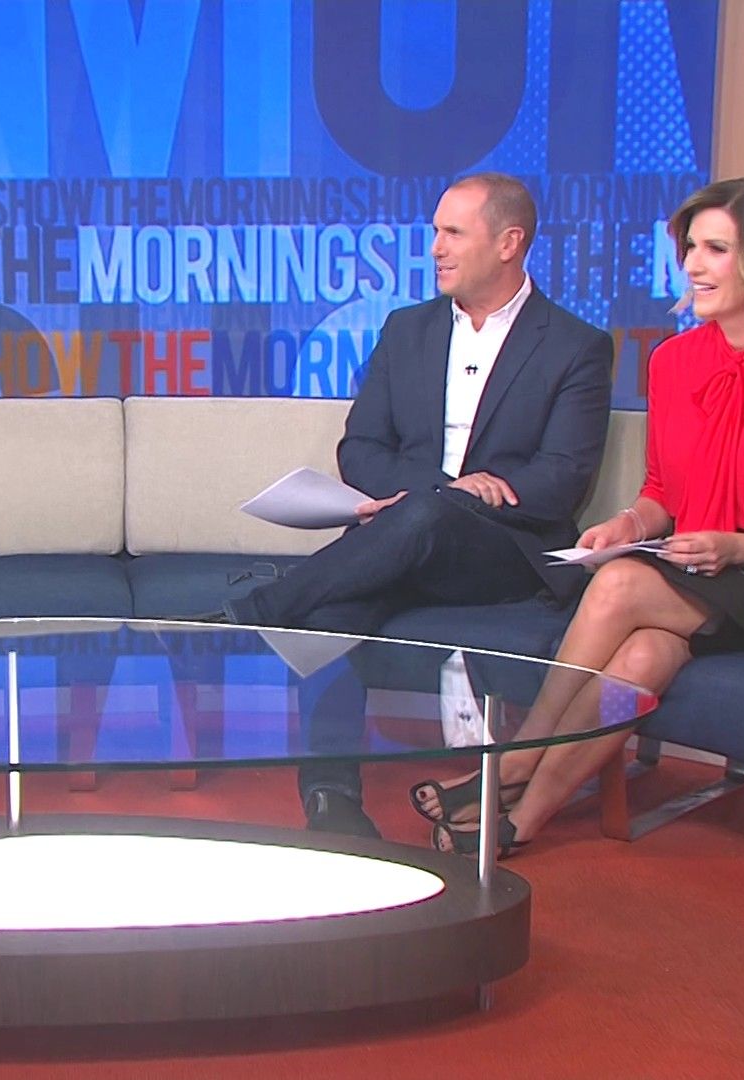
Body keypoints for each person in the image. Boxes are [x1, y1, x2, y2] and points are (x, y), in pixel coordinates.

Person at [417, 176, 744, 858]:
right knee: (642, 658)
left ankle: (512, 762)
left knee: (619, 584)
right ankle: (529, 814)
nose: (693, 265)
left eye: (716, 249)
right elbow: (663, 490)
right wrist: (629, 526)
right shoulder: (675, 362)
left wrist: (737, 549)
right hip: (697, 571)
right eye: (690, 247)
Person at [217, 174, 615, 837]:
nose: (435, 248)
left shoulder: (575, 345)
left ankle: (258, 609)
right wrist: (440, 492)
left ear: (509, 243)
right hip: (408, 533)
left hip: (504, 551)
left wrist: (447, 503)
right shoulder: (407, 330)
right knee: (338, 605)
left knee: (426, 517)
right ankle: (332, 801)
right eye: (436, 232)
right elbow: (361, 448)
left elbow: (563, 477)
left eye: (453, 232)